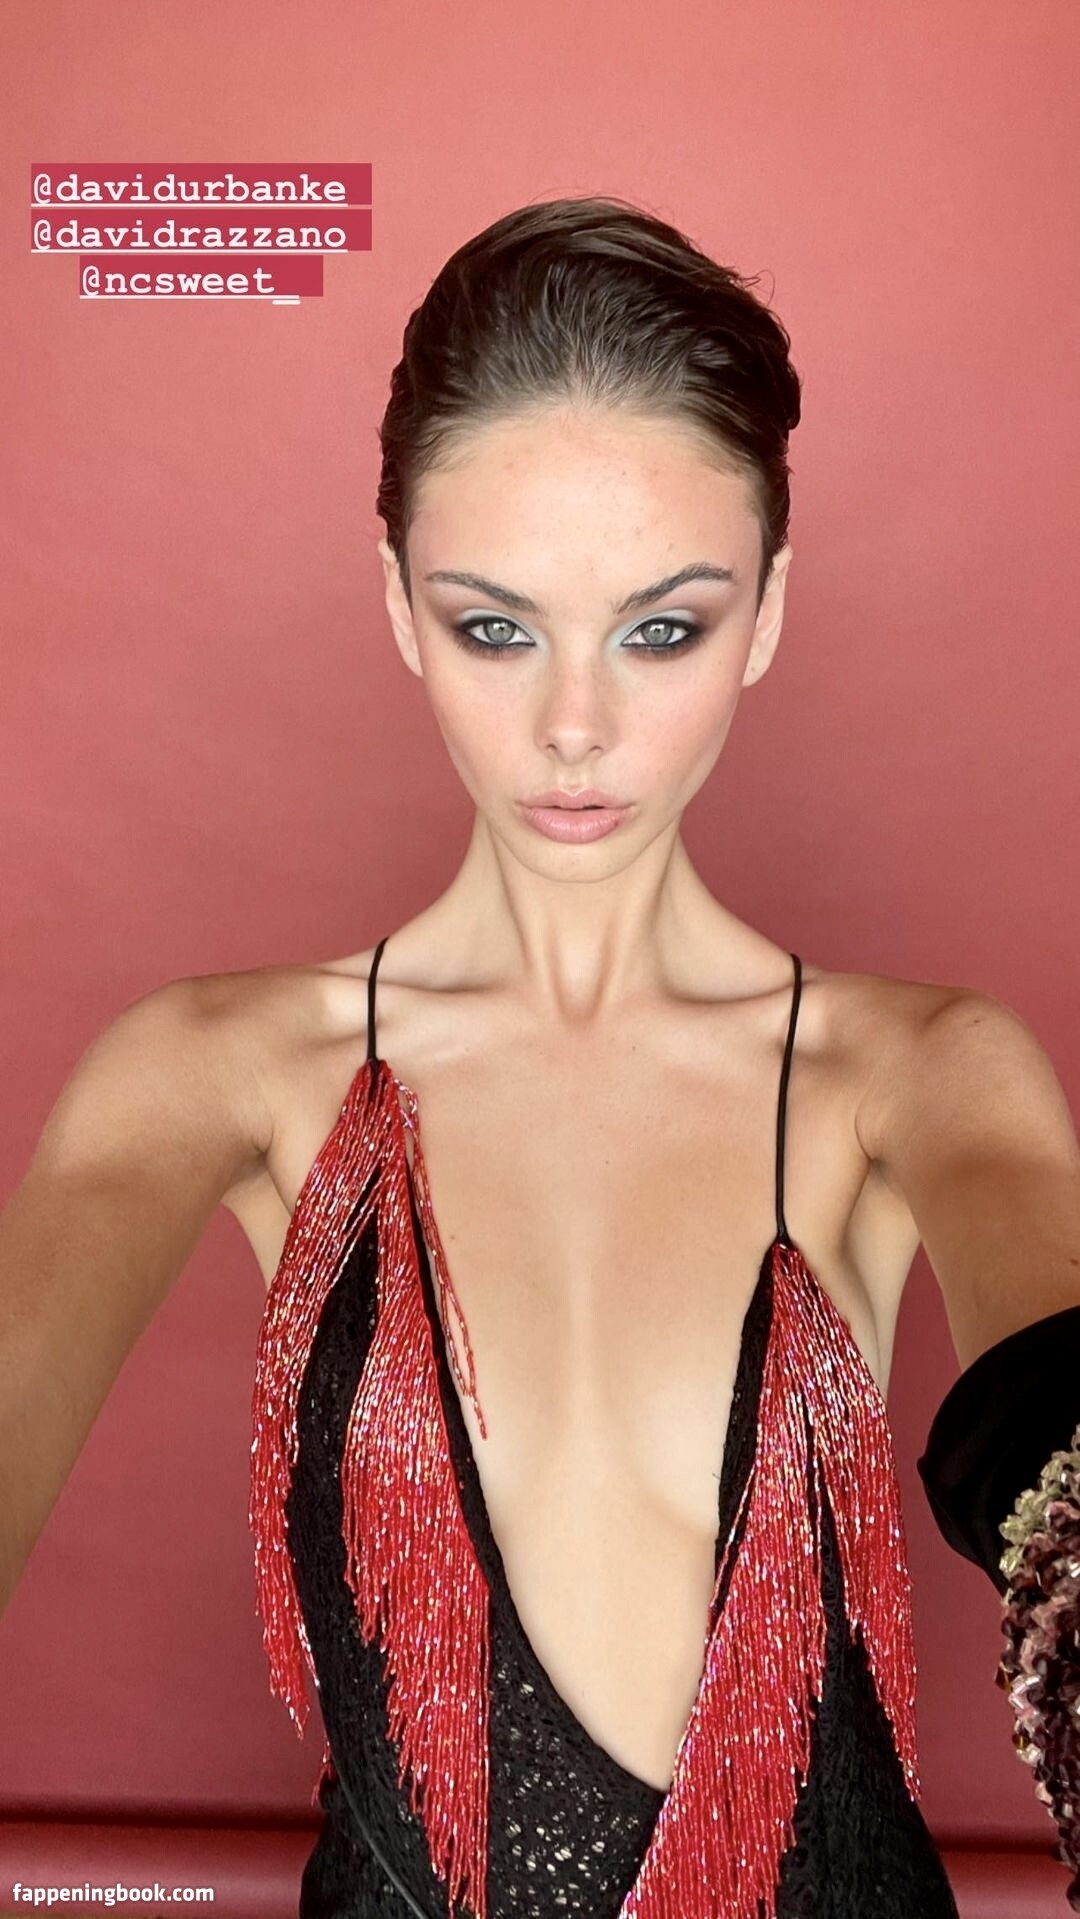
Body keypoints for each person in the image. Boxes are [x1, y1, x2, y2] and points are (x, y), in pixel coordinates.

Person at [3, 196, 1079, 1917]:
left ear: (767, 614)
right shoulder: (213, 1071)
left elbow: (1057, 1438)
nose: (576, 726)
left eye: (663, 628)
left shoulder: (922, 1074)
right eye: (497, 626)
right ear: (400, 606)